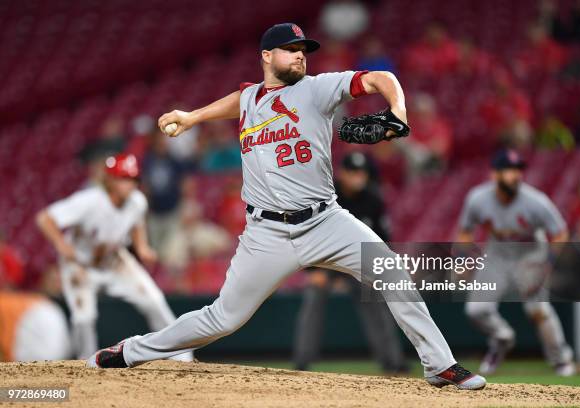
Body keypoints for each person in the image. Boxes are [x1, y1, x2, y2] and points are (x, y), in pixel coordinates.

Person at [86, 23, 486, 391]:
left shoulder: (317, 88)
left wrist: (397, 110)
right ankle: (131, 351)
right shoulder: (249, 98)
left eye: (303, 50)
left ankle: (439, 364)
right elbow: (238, 100)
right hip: (266, 233)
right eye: (290, 49)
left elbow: (382, 78)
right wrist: (193, 117)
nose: (299, 55)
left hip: (326, 220)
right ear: (266, 56)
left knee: (391, 271)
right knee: (222, 318)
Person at [36, 153, 193, 362]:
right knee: (83, 318)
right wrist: (61, 244)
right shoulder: (89, 200)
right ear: (109, 180)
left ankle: (182, 357)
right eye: (123, 178)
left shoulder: (137, 201)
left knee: (154, 301)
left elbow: (136, 223)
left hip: (114, 261)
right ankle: (85, 363)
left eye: (132, 179)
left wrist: (142, 247)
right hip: (81, 265)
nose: (129, 184)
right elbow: (45, 218)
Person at [457, 149, 575, 376]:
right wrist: (462, 260)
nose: (515, 175)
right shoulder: (478, 198)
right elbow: (465, 231)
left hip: (531, 253)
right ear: (494, 175)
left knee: (537, 309)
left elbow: (560, 233)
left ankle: (560, 359)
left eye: (518, 170)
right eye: (508, 170)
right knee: (475, 310)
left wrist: (547, 262)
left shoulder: (536, 201)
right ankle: (502, 337)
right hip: (497, 254)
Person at [293, 152, 409, 374]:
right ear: (343, 173)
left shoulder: (373, 200)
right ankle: (302, 362)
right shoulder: (327, 196)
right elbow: (310, 232)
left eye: (362, 172)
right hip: (326, 260)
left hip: (359, 261)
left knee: (376, 301)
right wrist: (312, 269)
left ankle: (393, 362)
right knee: (313, 298)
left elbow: (383, 239)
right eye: (354, 172)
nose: (359, 177)